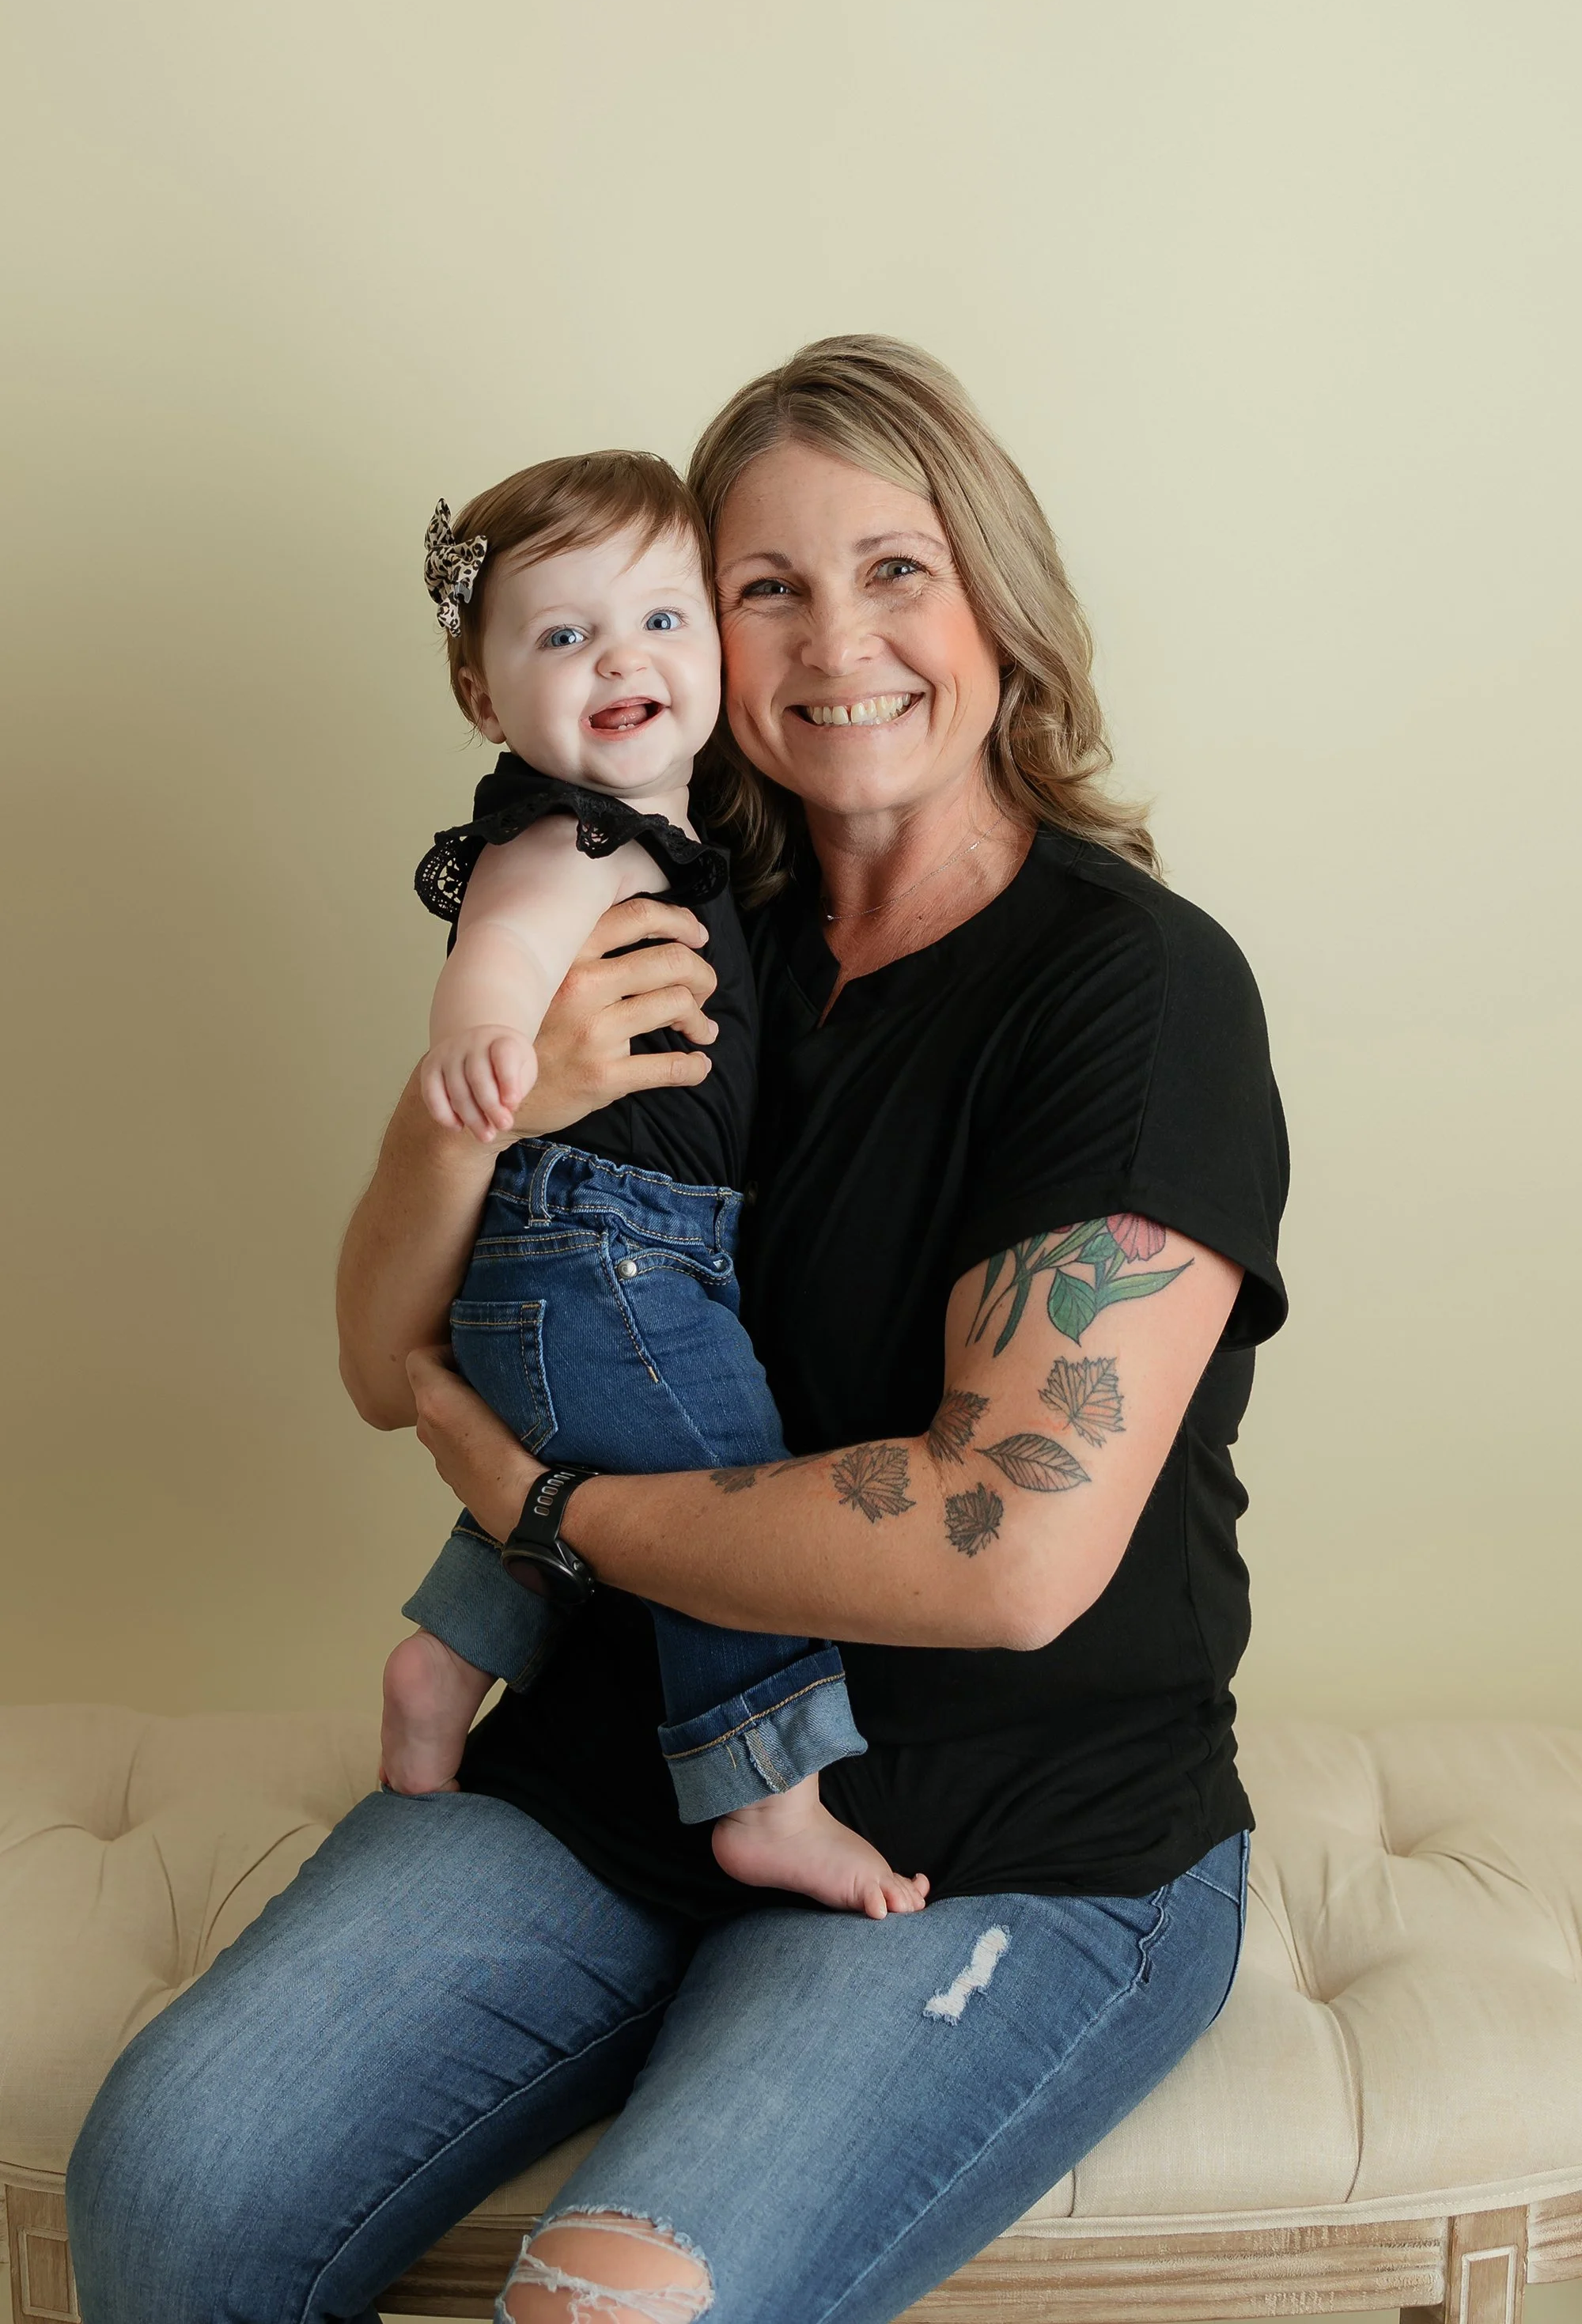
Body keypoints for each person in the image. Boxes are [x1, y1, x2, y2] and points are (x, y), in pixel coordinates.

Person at [67, 336, 1287, 2324]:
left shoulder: (1133, 997)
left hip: (1009, 1836)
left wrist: (547, 1508)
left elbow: (1012, 1551)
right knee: (172, 2184)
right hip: (622, 1770)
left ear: (999, 593)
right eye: (767, 586)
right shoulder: (663, 919)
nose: (838, 643)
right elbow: (385, 1368)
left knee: (610, 2309)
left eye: (896, 569)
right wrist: (504, 1106)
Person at [381, 447, 921, 1918]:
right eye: (562, 637)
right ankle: (767, 1791)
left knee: (598, 1488)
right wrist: (485, 1046)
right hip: (604, 1253)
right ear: (486, 699)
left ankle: (446, 1659)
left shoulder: (675, 834)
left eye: (663, 621)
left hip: (598, 1267)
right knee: (722, 1488)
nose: (621, 658)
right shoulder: (570, 833)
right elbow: (500, 937)